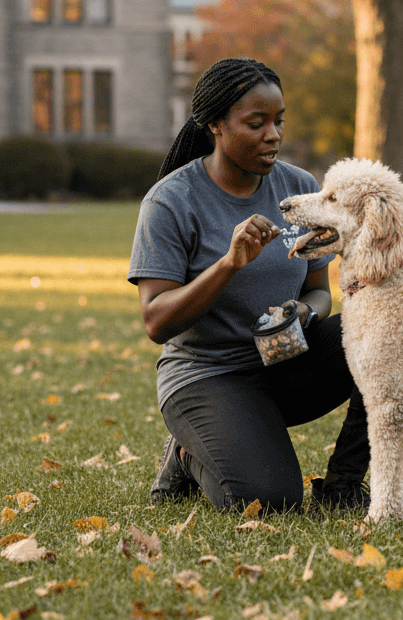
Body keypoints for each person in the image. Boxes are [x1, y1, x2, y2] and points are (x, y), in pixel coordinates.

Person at [128, 57, 370, 512]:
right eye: (256, 123)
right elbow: (156, 321)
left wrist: (307, 313)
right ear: (216, 124)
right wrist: (228, 264)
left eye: (278, 121)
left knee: (382, 336)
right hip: (208, 375)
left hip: (284, 363)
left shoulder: (297, 187)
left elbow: (319, 289)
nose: (273, 135)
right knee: (268, 500)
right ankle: (185, 452)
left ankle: (343, 484)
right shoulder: (171, 201)